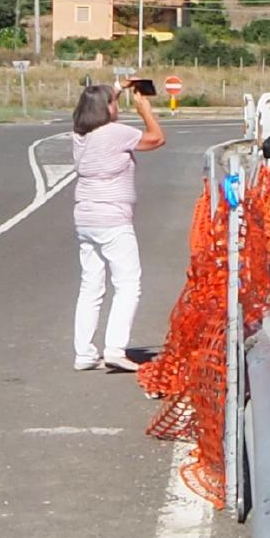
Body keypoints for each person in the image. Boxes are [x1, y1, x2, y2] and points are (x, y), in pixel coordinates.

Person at [70, 82, 165, 372]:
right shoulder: (115, 133)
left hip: (86, 217)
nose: (117, 106)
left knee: (91, 285)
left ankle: (84, 353)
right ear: (106, 108)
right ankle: (115, 348)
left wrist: (118, 87)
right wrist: (145, 111)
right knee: (128, 283)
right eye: (114, 102)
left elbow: (97, 101)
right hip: (112, 218)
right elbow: (156, 139)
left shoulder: (80, 135)